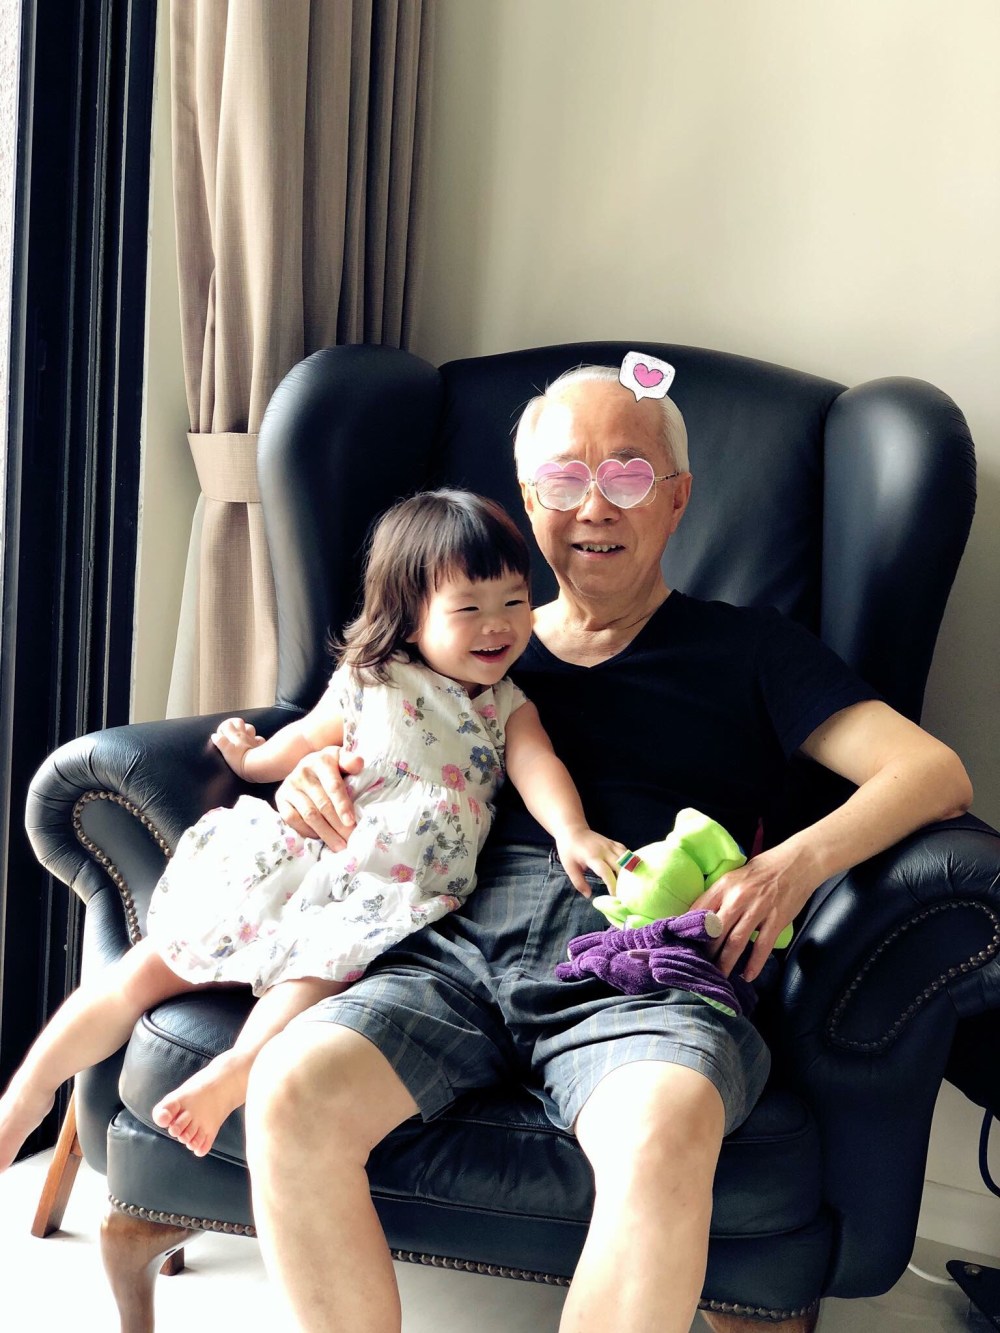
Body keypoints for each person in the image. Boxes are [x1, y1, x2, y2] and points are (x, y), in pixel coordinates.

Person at [240, 361, 973, 1333]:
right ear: (528, 498)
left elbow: (930, 772)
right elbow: (343, 737)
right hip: (447, 948)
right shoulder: (461, 644)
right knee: (289, 1089)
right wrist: (305, 776)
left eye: (627, 473)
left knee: (666, 1121)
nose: (594, 505)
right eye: (564, 478)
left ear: (677, 499)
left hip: (640, 965)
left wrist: (790, 865)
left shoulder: (752, 648)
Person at [0, 490, 624, 1170]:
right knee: (149, 967)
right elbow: (300, 739)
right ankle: (28, 1092)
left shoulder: (506, 707)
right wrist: (250, 760)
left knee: (314, 975)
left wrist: (572, 830)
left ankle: (239, 1068)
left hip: (388, 890)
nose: (497, 624)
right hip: (305, 859)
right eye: (468, 608)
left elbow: (538, 767)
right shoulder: (373, 679)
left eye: (513, 600)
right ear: (410, 617)